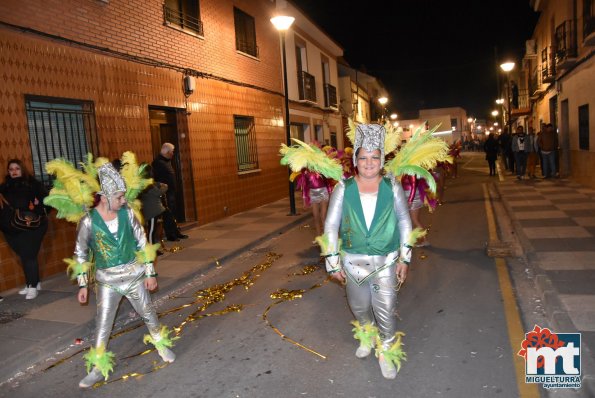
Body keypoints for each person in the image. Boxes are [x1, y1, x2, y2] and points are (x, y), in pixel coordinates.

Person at [58, 162, 176, 388]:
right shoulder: (88, 221)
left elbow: (142, 241)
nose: (124, 200)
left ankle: (161, 345)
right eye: (120, 197)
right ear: (105, 197)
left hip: (134, 275)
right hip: (107, 282)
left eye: (123, 196)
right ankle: (98, 367)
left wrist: (150, 273)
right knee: (103, 325)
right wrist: (83, 286)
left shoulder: (128, 213)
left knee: (148, 313)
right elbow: (80, 253)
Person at [323, 124, 412, 379]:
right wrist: (332, 262)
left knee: (385, 308)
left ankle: (386, 351)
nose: (369, 162)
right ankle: (367, 334)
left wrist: (405, 258)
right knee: (360, 307)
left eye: (374, 157)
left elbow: (405, 222)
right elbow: (330, 225)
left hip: (386, 260)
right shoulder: (343, 188)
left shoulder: (392, 186)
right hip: (353, 262)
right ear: (355, 160)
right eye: (363, 157)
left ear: (381, 160)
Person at [0, 159, 49, 300]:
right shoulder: (4, 187)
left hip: (32, 226)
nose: (14, 171)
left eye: (17, 168)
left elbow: (48, 200)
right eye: (11, 169)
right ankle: (34, 282)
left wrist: (37, 209)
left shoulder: (32, 184)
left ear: (22, 169)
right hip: (10, 227)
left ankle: (32, 286)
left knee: (28, 255)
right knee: (25, 255)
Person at [152, 143, 188, 241]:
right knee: (168, 214)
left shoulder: (167, 161)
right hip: (164, 193)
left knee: (173, 213)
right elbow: (156, 179)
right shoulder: (158, 162)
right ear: (167, 152)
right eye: (172, 152)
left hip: (171, 192)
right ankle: (171, 235)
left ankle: (176, 232)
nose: (173, 154)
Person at [139, 164, 167, 255]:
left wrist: (158, 184)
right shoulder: (148, 185)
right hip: (152, 211)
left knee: (153, 230)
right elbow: (159, 191)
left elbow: (155, 185)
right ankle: (151, 250)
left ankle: (153, 248)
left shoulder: (145, 183)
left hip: (152, 210)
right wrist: (165, 186)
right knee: (151, 231)